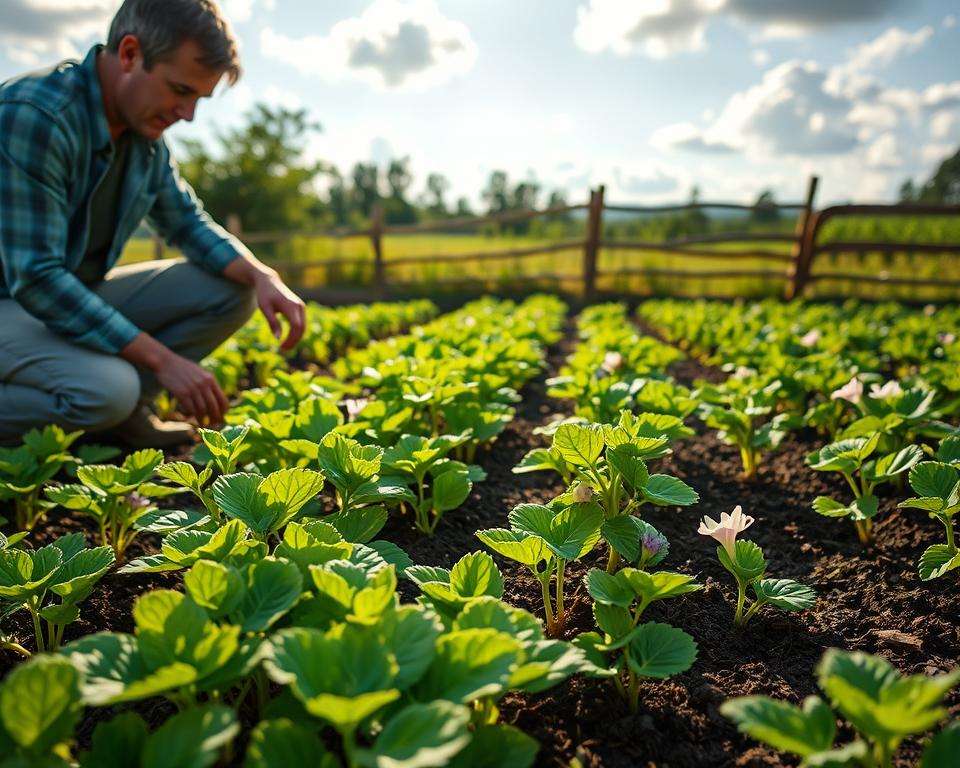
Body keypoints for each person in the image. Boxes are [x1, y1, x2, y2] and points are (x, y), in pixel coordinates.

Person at [0, 0, 306, 448]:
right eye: (180, 90)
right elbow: (37, 278)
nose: (187, 114)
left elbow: (187, 223)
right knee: (108, 390)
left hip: (55, 301)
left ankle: (121, 420)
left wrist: (262, 275)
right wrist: (162, 360)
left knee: (231, 288)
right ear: (129, 54)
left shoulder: (143, 140)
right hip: (12, 297)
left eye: (198, 99)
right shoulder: (36, 117)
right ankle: (106, 410)